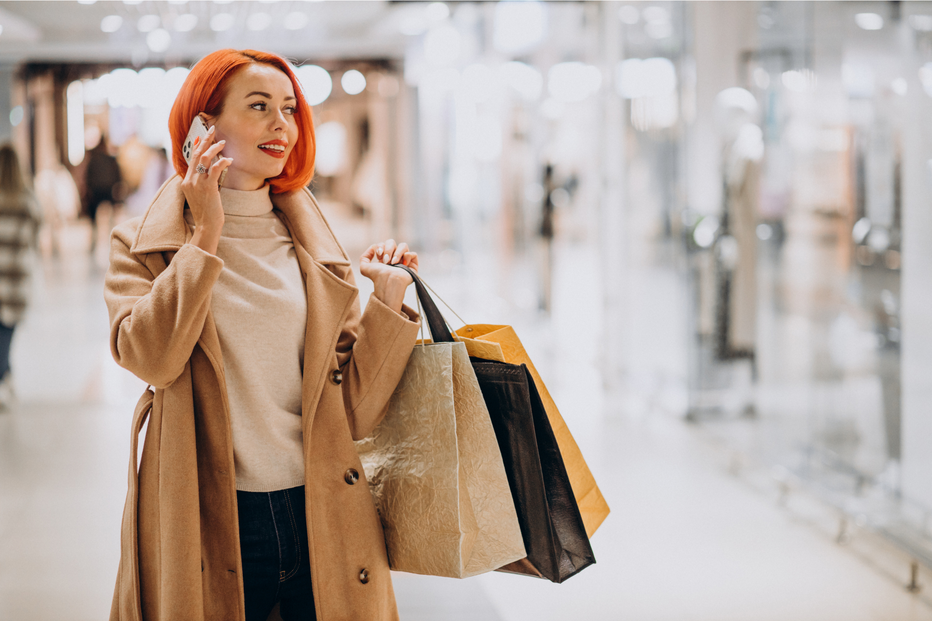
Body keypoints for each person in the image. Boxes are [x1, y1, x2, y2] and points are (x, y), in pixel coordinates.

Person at [104, 49, 421, 621]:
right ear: (204, 125)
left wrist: (388, 303)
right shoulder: (142, 245)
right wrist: (204, 237)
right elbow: (151, 359)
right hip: (209, 515)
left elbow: (353, 409)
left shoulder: (314, 243)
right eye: (259, 106)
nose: (283, 124)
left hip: (321, 508)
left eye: (290, 109)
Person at [0, 144, 41, 406]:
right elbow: (33, 240)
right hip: (16, 280)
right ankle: (6, 376)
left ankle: (5, 376)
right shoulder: (28, 201)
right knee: (6, 332)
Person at [84, 134, 122, 249]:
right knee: (111, 216)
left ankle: (94, 241)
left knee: (94, 219)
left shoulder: (93, 159)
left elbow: (88, 176)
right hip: (107, 190)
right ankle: (114, 238)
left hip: (97, 190)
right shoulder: (110, 159)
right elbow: (117, 175)